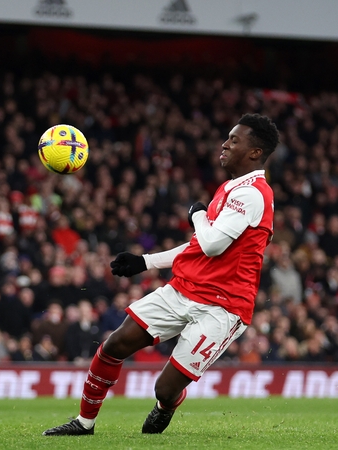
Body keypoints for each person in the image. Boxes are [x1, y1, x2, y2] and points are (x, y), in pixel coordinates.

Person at [43, 113, 279, 436]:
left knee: (164, 389)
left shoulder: (252, 194)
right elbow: (200, 247)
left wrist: (197, 214)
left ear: (255, 153)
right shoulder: (230, 188)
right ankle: (84, 423)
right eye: (228, 137)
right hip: (184, 289)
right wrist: (146, 261)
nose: (225, 144)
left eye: (234, 140)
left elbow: (209, 244)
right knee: (116, 343)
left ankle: (166, 405)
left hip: (223, 307)